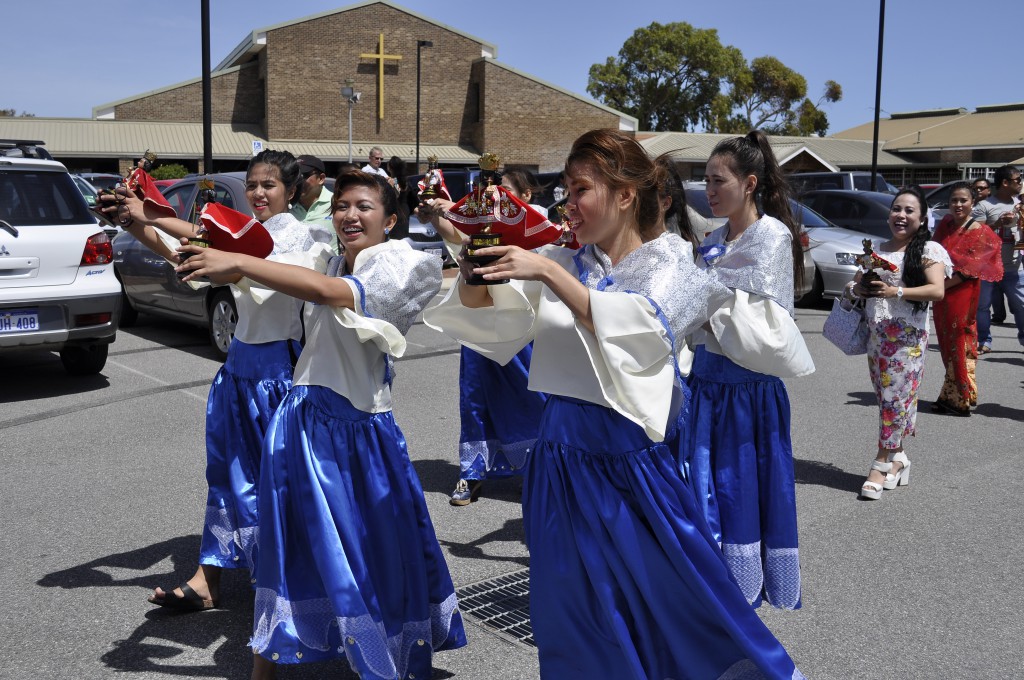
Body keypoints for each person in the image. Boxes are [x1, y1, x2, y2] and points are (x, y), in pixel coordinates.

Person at [424, 129, 803, 679]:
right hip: (557, 460)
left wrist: (549, 271)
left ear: (625, 194)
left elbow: (643, 332)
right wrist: (473, 266)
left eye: (582, 189)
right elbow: (497, 323)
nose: (568, 203)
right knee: (570, 616)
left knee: (676, 609)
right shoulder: (564, 258)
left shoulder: (676, 265)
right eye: (567, 190)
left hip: (628, 467)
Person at [177, 171, 466, 680]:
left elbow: (333, 293)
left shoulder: (402, 265)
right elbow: (232, 254)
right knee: (285, 546)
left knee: (368, 552)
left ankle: (380, 659)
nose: (350, 215)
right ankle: (263, 671)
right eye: (343, 206)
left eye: (365, 207)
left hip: (361, 433)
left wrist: (241, 262)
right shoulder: (326, 256)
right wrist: (143, 220)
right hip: (299, 421)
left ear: (391, 220)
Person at [102, 149, 331, 611]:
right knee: (227, 476)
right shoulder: (239, 239)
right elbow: (182, 259)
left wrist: (160, 216)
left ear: (291, 189)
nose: (258, 193)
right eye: (252, 184)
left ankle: (300, 581)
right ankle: (208, 580)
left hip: (279, 376)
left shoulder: (309, 240)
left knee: (280, 480)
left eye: (269, 185)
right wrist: (135, 222)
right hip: (237, 371)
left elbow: (261, 264)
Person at [685, 131, 814, 610]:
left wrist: (701, 292)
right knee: (703, 486)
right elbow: (700, 304)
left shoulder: (771, 236)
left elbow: (750, 315)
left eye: (718, 180)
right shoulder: (714, 239)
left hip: (747, 391)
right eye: (706, 180)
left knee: (740, 487)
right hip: (706, 383)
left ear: (751, 182)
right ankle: (711, 586)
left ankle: (745, 590)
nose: (710, 190)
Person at [419, 165, 549, 505]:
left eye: (502, 189)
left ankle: (533, 465)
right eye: (487, 189)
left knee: (530, 398)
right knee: (476, 400)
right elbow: (456, 238)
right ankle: (472, 471)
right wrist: (436, 216)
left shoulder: (540, 230)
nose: (492, 196)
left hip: (523, 330)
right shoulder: (479, 230)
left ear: (525, 196)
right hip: (479, 328)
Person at [848, 186, 951, 500]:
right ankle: (900, 460)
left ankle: (881, 464)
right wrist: (859, 288)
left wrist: (898, 292)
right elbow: (854, 283)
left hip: (907, 344)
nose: (901, 216)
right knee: (890, 403)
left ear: (921, 219)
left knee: (894, 403)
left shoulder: (929, 250)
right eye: (896, 209)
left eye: (909, 211)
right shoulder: (877, 250)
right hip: (877, 340)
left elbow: (937, 291)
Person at [930, 182, 1003, 416]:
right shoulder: (946, 224)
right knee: (945, 343)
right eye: (954, 200)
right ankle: (954, 393)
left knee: (960, 342)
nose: (958, 204)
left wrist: (937, 286)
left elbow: (968, 272)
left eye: (963, 200)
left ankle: (960, 399)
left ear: (973, 203)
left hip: (962, 294)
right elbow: (932, 253)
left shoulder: (981, 232)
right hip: (941, 293)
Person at [974, 165, 1024, 352]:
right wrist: (996, 224)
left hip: (1014, 266)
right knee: (983, 306)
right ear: (1005, 182)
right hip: (987, 267)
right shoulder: (984, 206)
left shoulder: (1020, 204)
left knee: (1021, 305)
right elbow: (975, 235)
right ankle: (984, 341)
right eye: (1018, 180)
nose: (1020, 183)